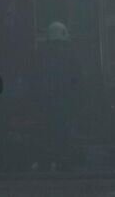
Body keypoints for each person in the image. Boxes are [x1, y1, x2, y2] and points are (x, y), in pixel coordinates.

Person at [38, 21, 81, 170]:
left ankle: (51, 159)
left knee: (50, 134)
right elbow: (77, 81)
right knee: (64, 134)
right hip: (64, 104)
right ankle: (64, 160)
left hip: (50, 104)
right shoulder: (71, 58)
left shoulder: (42, 58)